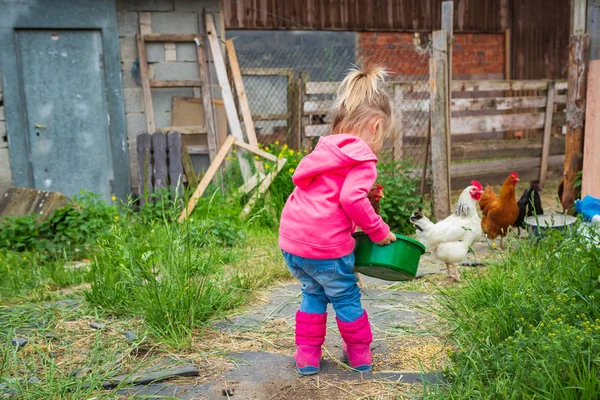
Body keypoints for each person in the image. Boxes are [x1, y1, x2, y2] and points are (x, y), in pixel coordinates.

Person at [278, 65, 396, 375]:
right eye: (384, 135)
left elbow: (325, 194)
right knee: (345, 294)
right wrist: (379, 231)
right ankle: (359, 354)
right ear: (376, 125)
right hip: (326, 246)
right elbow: (349, 199)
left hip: (292, 243)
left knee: (313, 292)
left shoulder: (325, 151)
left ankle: (307, 356)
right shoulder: (363, 158)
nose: (381, 143)